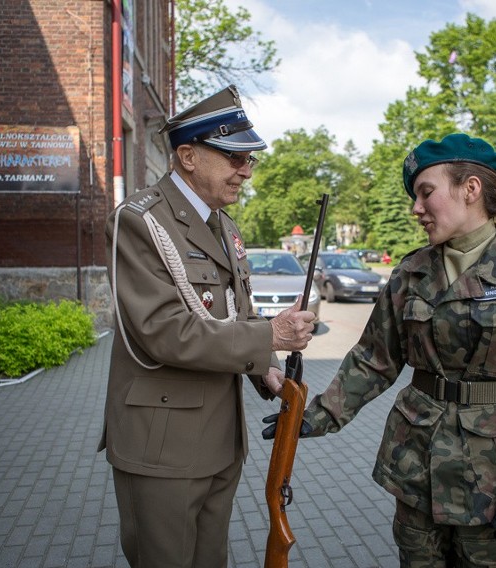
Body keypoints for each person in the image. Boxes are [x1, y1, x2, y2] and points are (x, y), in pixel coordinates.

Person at [266, 133, 496, 567]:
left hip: (492, 473)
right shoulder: (412, 271)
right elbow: (375, 359)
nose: (416, 208)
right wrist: (314, 414)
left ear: (470, 188)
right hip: (415, 464)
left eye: (426, 192)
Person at [100, 85, 316, 568]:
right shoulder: (139, 220)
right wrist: (269, 337)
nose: (246, 170)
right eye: (234, 157)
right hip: (163, 444)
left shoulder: (225, 227)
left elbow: (236, 317)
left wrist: (268, 368)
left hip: (221, 439)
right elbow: (161, 331)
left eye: (250, 160)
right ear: (188, 155)